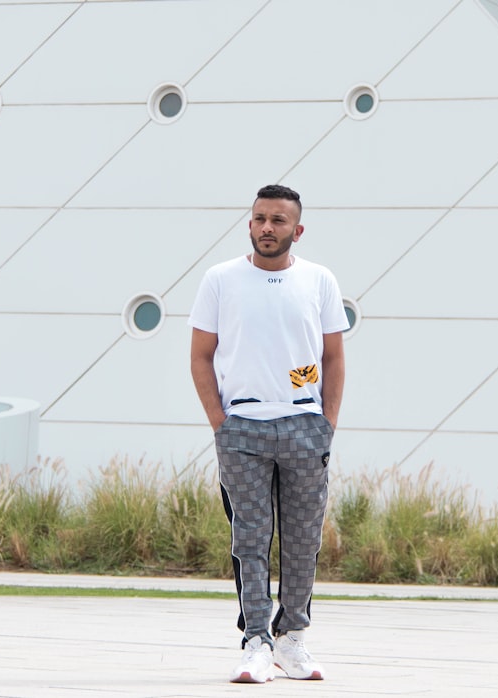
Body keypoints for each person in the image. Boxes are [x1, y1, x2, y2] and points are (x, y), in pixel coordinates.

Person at [188, 184, 349, 684]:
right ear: (250, 224)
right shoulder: (220, 280)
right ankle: (256, 640)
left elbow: (333, 358)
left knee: (302, 541)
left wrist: (326, 424)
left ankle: (292, 639)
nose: (266, 228)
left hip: (304, 424)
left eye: (278, 221)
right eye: (259, 218)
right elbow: (200, 356)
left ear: (296, 230)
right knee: (250, 540)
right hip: (242, 429)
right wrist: (221, 424)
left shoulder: (319, 281)